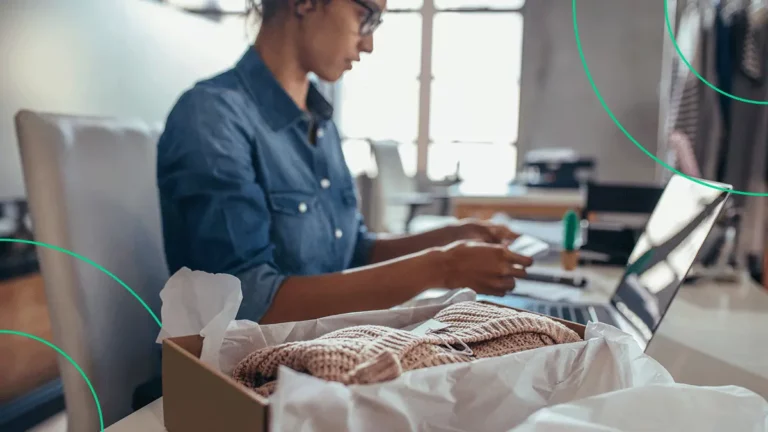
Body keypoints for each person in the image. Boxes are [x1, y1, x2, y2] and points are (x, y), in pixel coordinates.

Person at [155, 0, 533, 325]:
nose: (368, 43)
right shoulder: (212, 118)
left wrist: (451, 236)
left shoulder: (320, 123)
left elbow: (351, 253)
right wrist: (442, 267)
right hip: (230, 384)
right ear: (304, 2)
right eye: (365, 15)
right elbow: (247, 306)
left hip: (318, 356)